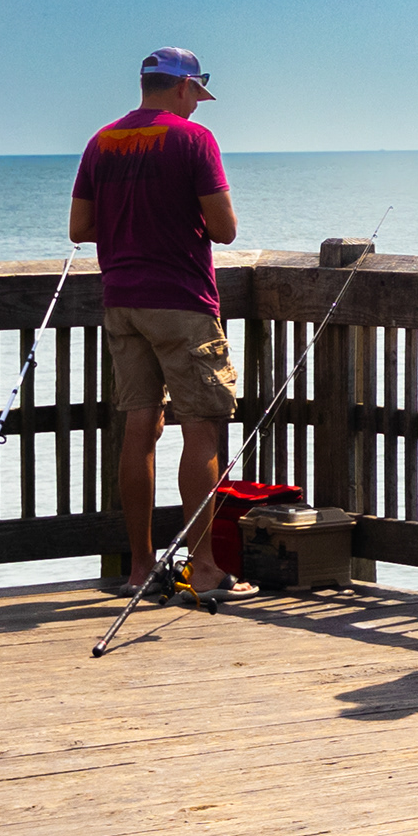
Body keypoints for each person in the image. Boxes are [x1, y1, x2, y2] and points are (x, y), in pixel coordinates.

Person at [70, 47, 256, 601]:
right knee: (202, 428)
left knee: (139, 429)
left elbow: (80, 226)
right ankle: (203, 569)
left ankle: (141, 569)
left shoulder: (102, 141)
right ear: (181, 88)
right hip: (181, 301)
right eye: (195, 95)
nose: (197, 107)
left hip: (122, 301)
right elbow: (225, 229)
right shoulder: (193, 140)